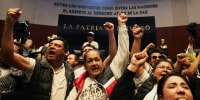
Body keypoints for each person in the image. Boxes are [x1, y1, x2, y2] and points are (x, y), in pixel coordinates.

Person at [1, 8, 74, 100]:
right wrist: (9, 24)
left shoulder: (69, 70)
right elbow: (8, 57)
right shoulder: (35, 65)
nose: (51, 46)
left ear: (65, 52)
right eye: (50, 44)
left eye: (57, 45)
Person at [67, 12, 129, 99]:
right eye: (89, 61)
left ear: (102, 61)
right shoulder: (78, 83)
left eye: (97, 60)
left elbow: (123, 53)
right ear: (85, 65)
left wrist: (122, 26)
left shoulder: (113, 72)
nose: (94, 63)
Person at [110, 51, 174, 100]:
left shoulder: (180, 87)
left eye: (169, 68)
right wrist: (133, 66)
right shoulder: (146, 82)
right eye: (161, 67)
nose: (165, 70)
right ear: (153, 73)